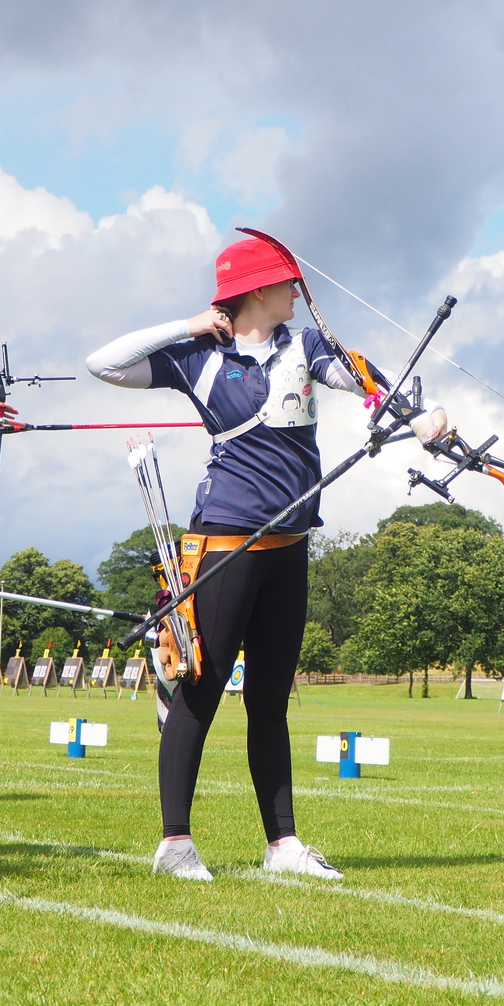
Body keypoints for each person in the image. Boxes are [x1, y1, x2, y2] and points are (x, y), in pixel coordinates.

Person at [85, 236, 364, 882]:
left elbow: (367, 383)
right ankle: (175, 844)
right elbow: (103, 363)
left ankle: (283, 846)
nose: (297, 292)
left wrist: (415, 412)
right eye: (286, 283)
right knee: (201, 691)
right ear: (257, 291)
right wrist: (188, 324)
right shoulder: (197, 357)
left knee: (270, 700)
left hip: (289, 543)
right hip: (224, 544)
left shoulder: (308, 347)